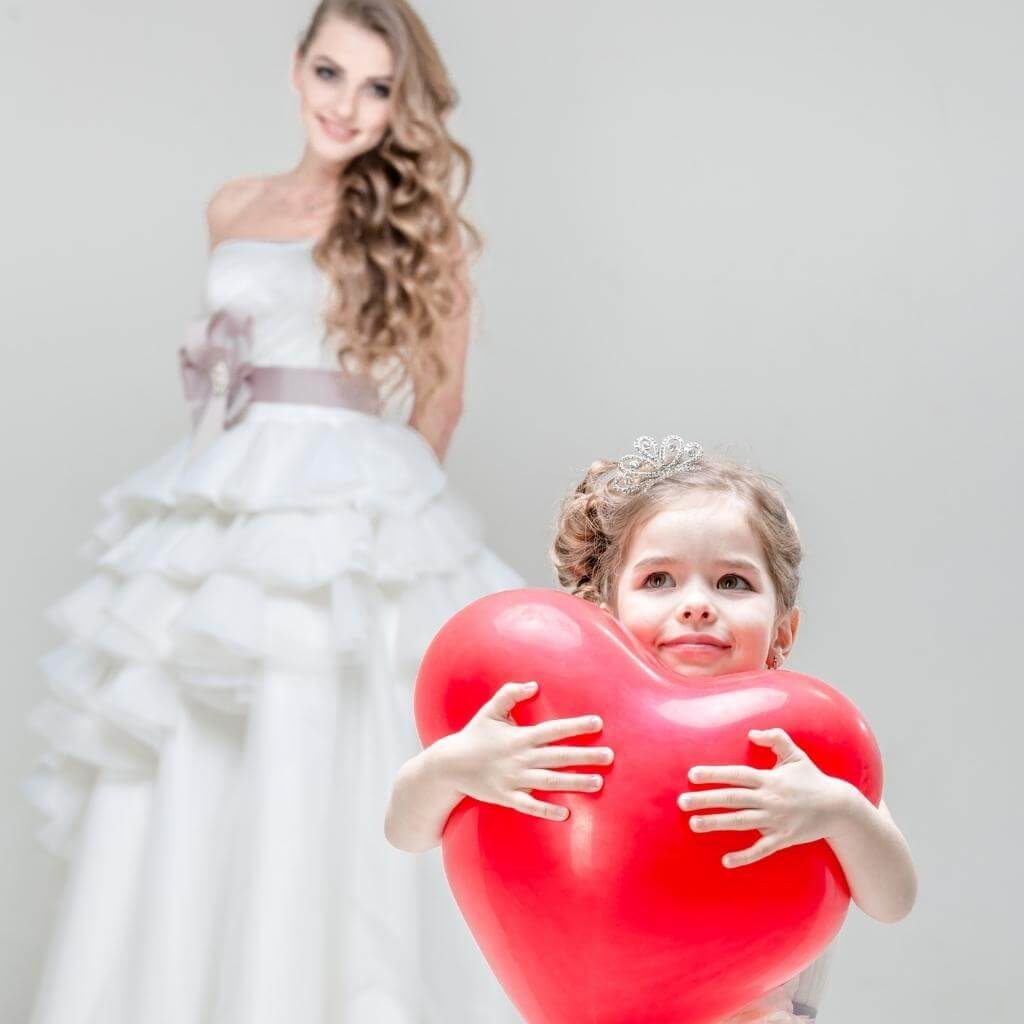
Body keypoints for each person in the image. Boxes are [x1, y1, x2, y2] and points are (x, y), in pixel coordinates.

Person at [26, 2, 523, 1021]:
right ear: (295, 71)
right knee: (193, 746)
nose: (347, 105)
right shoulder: (231, 206)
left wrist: (379, 532)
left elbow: (440, 401)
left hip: (348, 500)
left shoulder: (416, 229)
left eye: (377, 87)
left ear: (402, 103)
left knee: (329, 740)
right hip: (225, 490)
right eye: (331, 74)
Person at [386, 437, 918, 1022]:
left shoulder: (799, 749)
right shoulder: (554, 733)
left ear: (784, 633)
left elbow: (893, 900)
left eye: (732, 583)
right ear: (605, 614)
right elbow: (406, 832)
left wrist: (838, 811)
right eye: (659, 580)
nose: (696, 605)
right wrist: (453, 766)